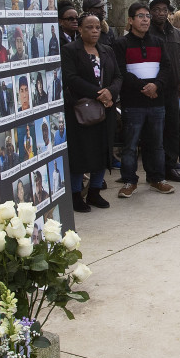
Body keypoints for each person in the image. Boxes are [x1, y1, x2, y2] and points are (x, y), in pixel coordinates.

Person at [114, 2, 176, 197]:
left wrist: (156, 85)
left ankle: (157, 178)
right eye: (140, 16)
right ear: (131, 20)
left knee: (156, 143)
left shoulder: (158, 42)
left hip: (157, 102)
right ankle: (129, 181)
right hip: (133, 104)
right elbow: (121, 72)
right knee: (130, 146)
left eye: (147, 16)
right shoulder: (121, 44)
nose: (145, 19)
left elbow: (166, 67)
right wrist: (144, 87)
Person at [62, 12, 120, 212]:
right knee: (81, 153)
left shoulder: (106, 50)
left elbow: (118, 76)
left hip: (106, 109)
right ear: (79, 29)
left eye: (97, 27)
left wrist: (110, 92)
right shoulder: (70, 51)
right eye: (89, 27)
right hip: (82, 110)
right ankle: (76, 195)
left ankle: (95, 191)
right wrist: (98, 94)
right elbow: (71, 78)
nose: (94, 31)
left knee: (102, 151)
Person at [149, 0, 180, 183]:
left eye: (164, 10)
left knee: (173, 129)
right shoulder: (146, 33)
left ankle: (170, 167)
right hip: (153, 90)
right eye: (156, 9)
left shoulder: (176, 34)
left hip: (173, 90)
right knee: (154, 133)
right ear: (150, 12)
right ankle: (154, 171)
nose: (161, 13)